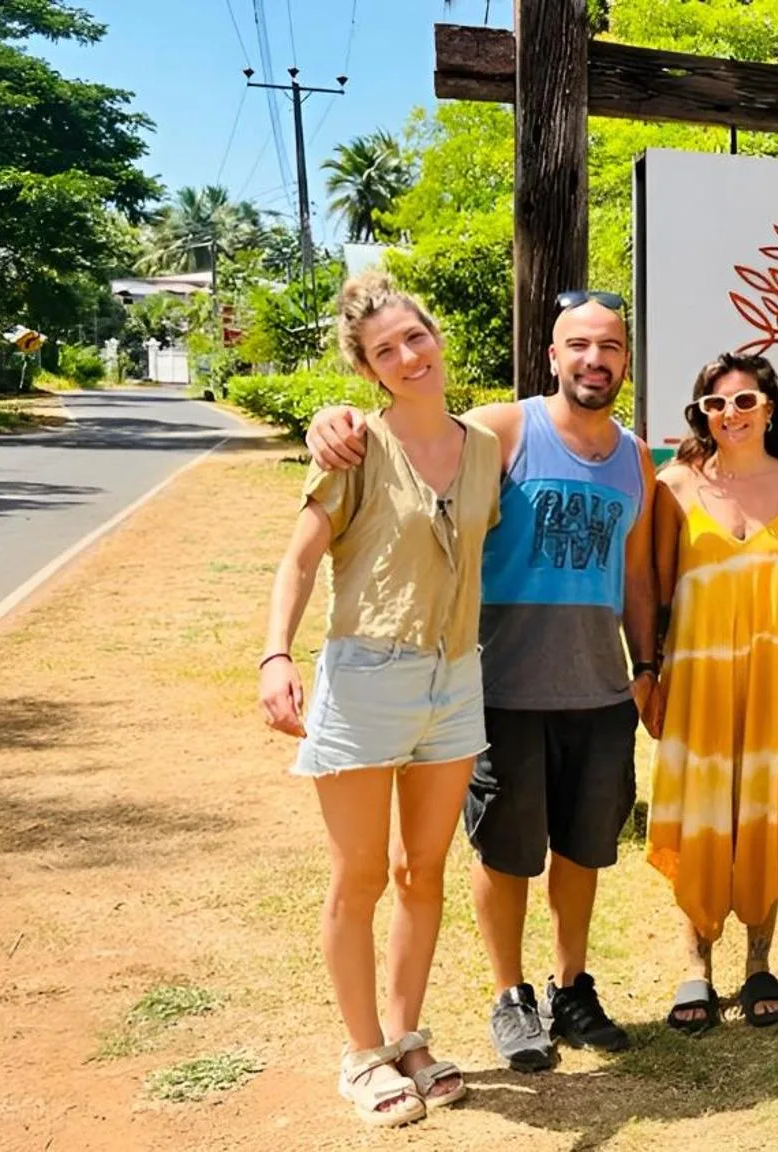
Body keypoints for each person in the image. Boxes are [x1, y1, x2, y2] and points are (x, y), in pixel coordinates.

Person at [304, 289, 658, 1072]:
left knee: (583, 850)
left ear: (626, 363)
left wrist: (647, 665)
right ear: (552, 356)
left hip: (600, 689)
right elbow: (416, 439)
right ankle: (511, 997)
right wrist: (333, 417)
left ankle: (572, 987)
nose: (594, 360)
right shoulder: (504, 428)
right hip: (498, 683)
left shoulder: (636, 457)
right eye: (578, 345)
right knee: (505, 853)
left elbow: (634, 574)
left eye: (610, 347)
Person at [258, 271, 499, 1127]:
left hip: (456, 677)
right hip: (366, 677)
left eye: (416, 337)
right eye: (386, 350)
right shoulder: (356, 446)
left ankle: (407, 1036)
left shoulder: (484, 445)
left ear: (438, 337)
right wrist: (275, 654)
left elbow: (562, 420)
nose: (408, 356)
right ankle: (362, 1055)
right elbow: (299, 560)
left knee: (422, 870)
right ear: (367, 370)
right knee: (359, 874)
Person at [646, 351, 778, 1033]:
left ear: (770, 409)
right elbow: (654, 592)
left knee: (762, 811)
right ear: (701, 415)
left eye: (744, 402)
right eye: (715, 405)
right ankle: (693, 966)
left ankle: (760, 961)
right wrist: (648, 675)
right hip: (697, 679)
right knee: (701, 815)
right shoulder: (672, 486)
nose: (730, 414)